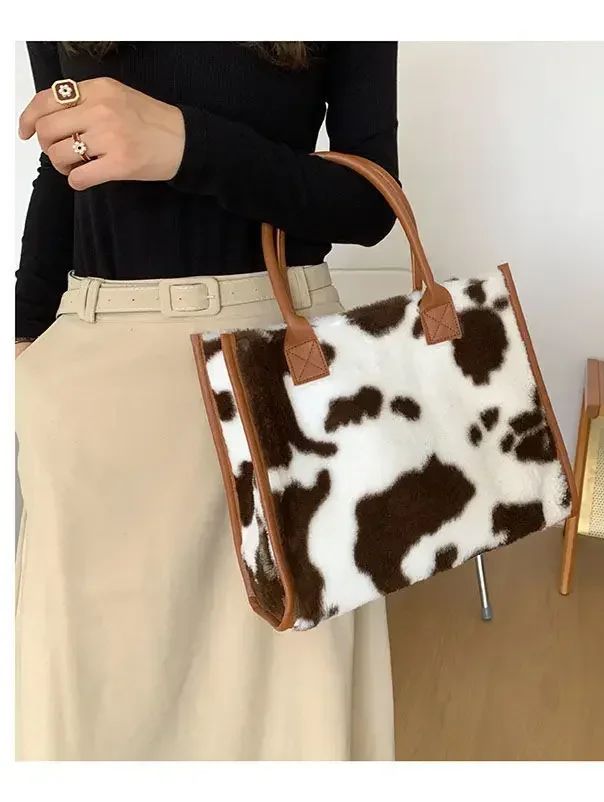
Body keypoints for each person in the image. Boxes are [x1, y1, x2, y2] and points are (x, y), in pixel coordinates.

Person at [15, 41, 397, 761]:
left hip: (283, 372)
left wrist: (186, 144)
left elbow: (370, 199)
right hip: (98, 381)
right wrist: (26, 342)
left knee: (290, 715)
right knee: (100, 710)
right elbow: (62, 166)